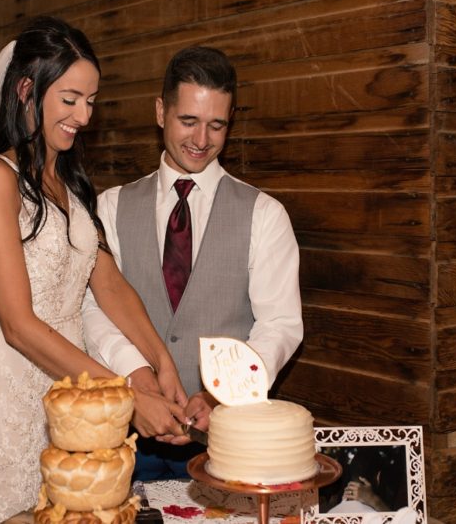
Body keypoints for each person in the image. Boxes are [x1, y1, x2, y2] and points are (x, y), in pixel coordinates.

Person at [0, 17, 189, 522]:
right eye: (70, 99)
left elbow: (108, 283)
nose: (83, 116)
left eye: (91, 101)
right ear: (27, 89)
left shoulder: (67, 183)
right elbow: (18, 325)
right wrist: (123, 395)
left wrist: (160, 361)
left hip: (76, 398)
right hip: (7, 392)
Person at [81, 46, 303, 480]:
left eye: (216, 125)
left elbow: (280, 324)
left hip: (227, 444)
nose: (201, 140)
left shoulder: (265, 214)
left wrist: (223, 394)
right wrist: (135, 378)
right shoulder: (109, 208)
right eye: (188, 121)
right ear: (161, 111)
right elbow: (92, 309)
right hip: (122, 439)